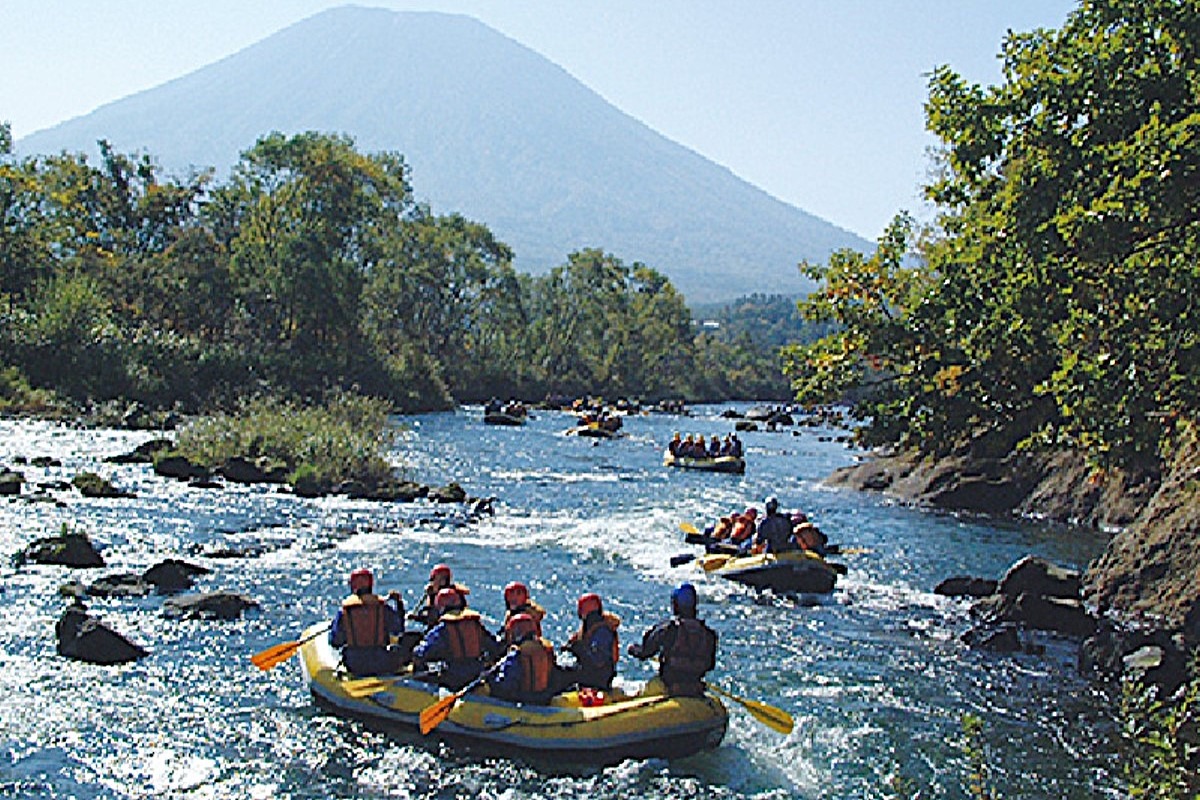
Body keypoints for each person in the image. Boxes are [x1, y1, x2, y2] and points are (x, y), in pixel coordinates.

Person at [627, 583, 718, 697]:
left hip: (669, 685)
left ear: (675, 605)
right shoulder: (708, 634)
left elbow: (645, 652)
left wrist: (633, 650)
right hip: (695, 686)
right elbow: (710, 665)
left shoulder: (669, 629)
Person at [411, 587, 500, 690]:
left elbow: (422, 652)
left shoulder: (444, 627)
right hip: (476, 674)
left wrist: (416, 653)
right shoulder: (475, 624)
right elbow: (493, 646)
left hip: (454, 677)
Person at [329, 568, 406, 676]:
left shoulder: (345, 611)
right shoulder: (383, 608)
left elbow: (335, 641)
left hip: (354, 665)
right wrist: (399, 605)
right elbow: (398, 630)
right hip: (381, 662)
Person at [489, 613, 558, 705]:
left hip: (524, 698)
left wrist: (490, 680)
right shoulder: (545, 649)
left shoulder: (517, 653)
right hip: (544, 697)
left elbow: (506, 683)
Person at [560, 592, 619, 691]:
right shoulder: (587, 629)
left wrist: (579, 650)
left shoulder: (602, 631)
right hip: (589, 672)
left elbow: (599, 660)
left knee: (563, 676)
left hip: (598, 677)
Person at [412, 563, 470, 629]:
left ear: (442, 580)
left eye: (433, 579)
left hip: (446, 633)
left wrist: (416, 617)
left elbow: (432, 618)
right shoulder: (453, 593)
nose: (432, 583)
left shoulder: (445, 595)